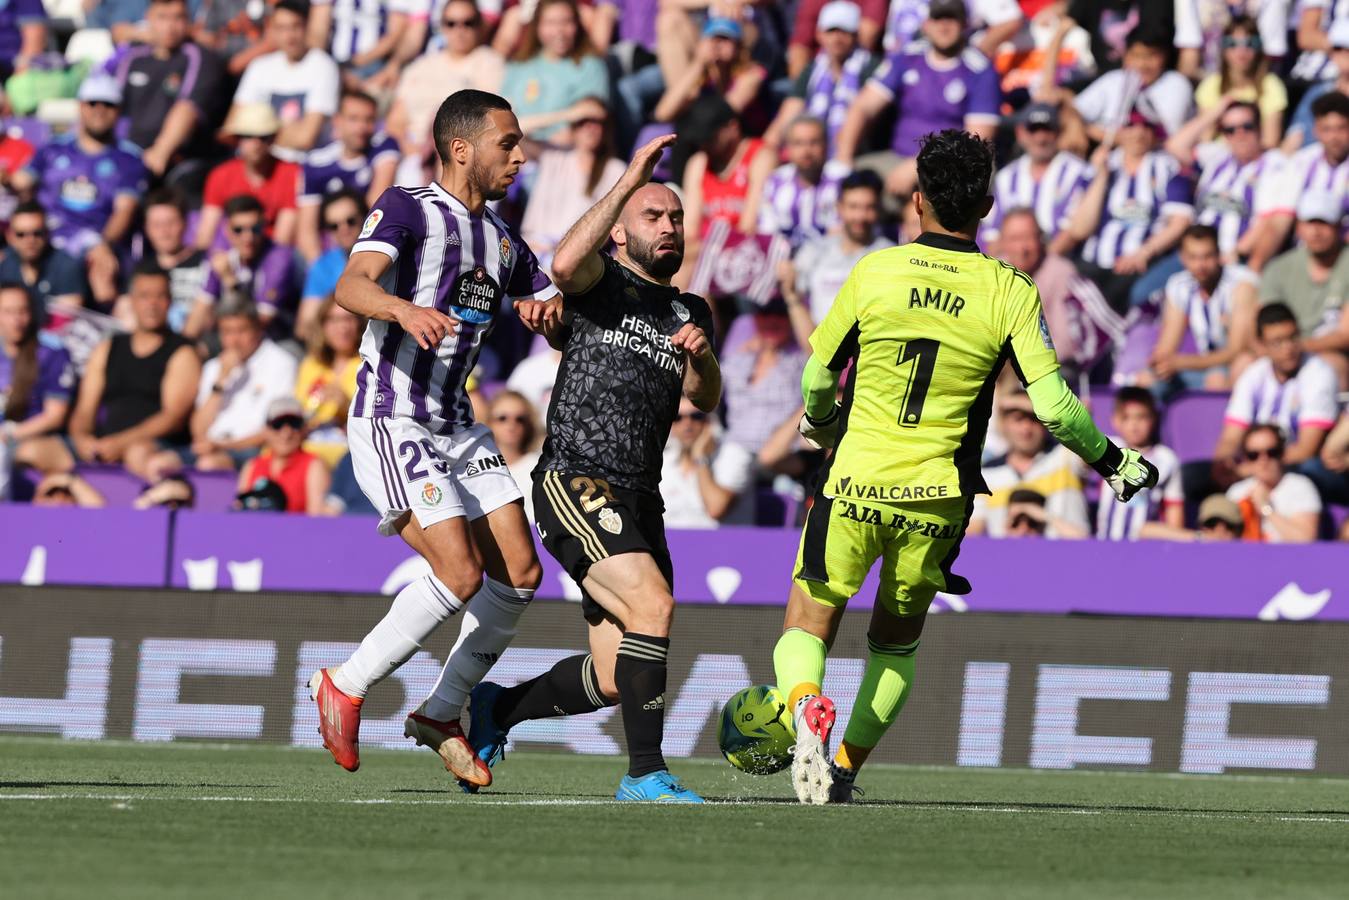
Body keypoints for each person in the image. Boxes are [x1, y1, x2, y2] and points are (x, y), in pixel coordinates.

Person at [773, 130, 1156, 804]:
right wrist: (1113, 461)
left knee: (807, 622)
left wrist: (824, 424)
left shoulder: (874, 271)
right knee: (893, 646)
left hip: (853, 482)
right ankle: (843, 770)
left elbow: (816, 378)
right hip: (937, 501)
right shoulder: (1007, 289)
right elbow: (1057, 410)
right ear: (983, 208)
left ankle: (804, 701)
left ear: (915, 199)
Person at [307, 90, 557, 789]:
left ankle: (441, 712)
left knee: (521, 573)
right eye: (506, 143)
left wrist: (547, 314)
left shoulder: (503, 240)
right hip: (392, 415)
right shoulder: (408, 206)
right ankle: (345, 685)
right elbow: (352, 285)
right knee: (459, 572)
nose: (518, 155)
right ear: (460, 148)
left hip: (456, 422)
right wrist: (400, 308)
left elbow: (547, 304)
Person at [459, 132, 718, 804]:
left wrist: (702, 357)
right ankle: (645, 774)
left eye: (675, 218)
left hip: (640, 496)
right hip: (577, 479)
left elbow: (704, 398)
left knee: (611, 677)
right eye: (652, 216)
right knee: (653, 607)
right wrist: (631, 176)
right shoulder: (603, 286)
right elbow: (565, 260)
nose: (668, 227)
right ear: (622, 231)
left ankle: (499, 709)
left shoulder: (691, 311)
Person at [833, 0, 1000, 198]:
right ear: (926, 24)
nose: (944, 26)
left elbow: (976, 141)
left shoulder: (979, 70)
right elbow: (862, 107)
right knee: (854, 184)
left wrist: (919, 164)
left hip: (951, 165)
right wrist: (843, 160)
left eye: (951, 19)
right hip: (896, 159)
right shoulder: (907, 56)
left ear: (965, 25)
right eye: (938, 18)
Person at [12, 74, 147, 294]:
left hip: (93, 242)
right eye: (92, 102)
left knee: (103, 275)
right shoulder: (52, 149)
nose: (99, 110)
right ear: (81, 106)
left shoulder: (129, 159)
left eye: (108, 104)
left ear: (119, 110)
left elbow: (124, 212)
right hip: (45, 237)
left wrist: (103, 244)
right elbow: (20, 182)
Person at [67, 266, 201, 479]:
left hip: (155, 444)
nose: (152, 304)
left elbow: (172, 418)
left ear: (170, 301)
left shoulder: (182, 352)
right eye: (145, 296)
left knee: (137, 454)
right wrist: (81, 437)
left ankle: (148, 508)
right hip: (104, 443)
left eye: (160, 296)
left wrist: (121, 443)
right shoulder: (108, 348)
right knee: (35, 451)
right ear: (131, 301)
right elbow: (84, 408)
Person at [1063, 108, 1193, 312]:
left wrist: (1144, 253)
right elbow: (1079, 230)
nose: (1139, 133)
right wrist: (1101, 178)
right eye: (1131, 125)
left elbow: (1180, 223)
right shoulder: (1100, 166)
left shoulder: (1168, 168)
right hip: (1093, 262)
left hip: (1141, 264)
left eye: (1146, 126)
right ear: (1118, 131)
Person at [151, 295, 298, 473]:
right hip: (210, 448)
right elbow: (198, 430)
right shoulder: (214, 367)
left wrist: (224, 446)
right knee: (158, 464)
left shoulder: (281, 363)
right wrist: (221, 380)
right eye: (227, 332)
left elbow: (276, 430)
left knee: (209, 465)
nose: (234, 340)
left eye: (241, 330)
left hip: (252, 451)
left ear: (258, 329)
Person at [1209, 304, 1341, 487]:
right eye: (1278, 342)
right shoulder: (1254, 374)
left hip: (1299, 467)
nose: (1288, 348)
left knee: (1308, 468)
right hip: (1257, 462)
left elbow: (1306, 449)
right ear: (1261, 345)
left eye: (1293, 338)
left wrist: (1253, 468)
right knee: (1197, 475)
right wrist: (1224, 462)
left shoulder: (1319, 373)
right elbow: (1231, 437)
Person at [995, 208, 1121, 385]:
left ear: (1041, 239)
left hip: (1048, 371)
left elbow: (1067, 345)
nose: (1022, 248)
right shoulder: (993, 273)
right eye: (1014, 239)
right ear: (1002, 243)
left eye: (1028, 238)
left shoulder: (1062, 273)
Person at [386, 0, 505, 182]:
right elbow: (395, 122)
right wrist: (413, 149)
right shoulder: (420, 67)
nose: (460, 30)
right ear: (442, 27)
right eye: (451, 23)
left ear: (480, 25)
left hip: (466, 154)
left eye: (468, 22)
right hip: (417, 153)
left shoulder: (491, 64)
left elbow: (491, 119)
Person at [115, 0, 228, 181]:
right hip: (130, 153)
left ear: (189, 21)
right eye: (162, 17)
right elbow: (114, 106)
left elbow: (188, 108)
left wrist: (160, 151)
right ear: (148, 19)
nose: (170, 26)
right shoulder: (133, 57)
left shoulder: (200, 57)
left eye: (178, 18)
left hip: (177, 159)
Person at [780, 170, 893, 348]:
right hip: (814, 352)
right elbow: (795, 298)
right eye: (853, 207)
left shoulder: (889, 256)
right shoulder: (814, 251)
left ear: (879, 208)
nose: (860, 216)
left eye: (869, 207)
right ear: (839, 207)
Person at [1145, 224, 1258, 392]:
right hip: (1202, 365)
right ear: (1182, 258)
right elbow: (1167, 345)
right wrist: (1159, 362)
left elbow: (1236, 350)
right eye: (1193, 257)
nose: (1201, 265)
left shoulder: (1242, 284)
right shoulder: (1179, 285)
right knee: (1146, 380)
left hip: (1231, 366)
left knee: (1217, 379)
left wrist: (1180, 362)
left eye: (1207, 256)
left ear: (1219, 254)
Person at [1164, 99, 1280, 262]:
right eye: (1230, 129)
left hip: (1234, 257)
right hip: (1194, 254)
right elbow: (1175, 145)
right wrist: (1218, 109)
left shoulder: (1276, 165)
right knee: (1144, 287)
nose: (1240, 135)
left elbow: (1268, 222)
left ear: (1259, 128)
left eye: (1247, 127)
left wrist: (1236, 254)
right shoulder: (1217, 156)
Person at [1247, 91, 1349, 271]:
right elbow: (1280, 221)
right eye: (1327, 129)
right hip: (1302, 257)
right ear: (1316, 130)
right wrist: (1255, 268)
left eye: (1341, 128)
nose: (1334, 137)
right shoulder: (1300, 163)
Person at [519, 96, 626, 268]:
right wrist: (566, 115)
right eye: (583, 121)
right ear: (573, 125)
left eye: (598, 122)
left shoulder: (615, 170)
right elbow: (517, 130)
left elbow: (610, 223)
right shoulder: (554, 156)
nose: (591, 128)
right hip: (532, 250)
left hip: (575, 261)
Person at [970, 388, 1090, 539]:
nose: (1026, 428)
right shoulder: (986, 474)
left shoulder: (1065, 455)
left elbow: (1083, 430)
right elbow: (972, 533)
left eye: (1034, 419)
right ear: (1003, 424)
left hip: (1072, 556)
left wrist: (1030, 404)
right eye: (1018, 419)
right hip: (1007, 559)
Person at [229, 0, 341, 161]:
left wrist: (256, 133)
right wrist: (286, 131)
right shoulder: (259, 67)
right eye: (281, 28)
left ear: (307, 26)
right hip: (262, 163)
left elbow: (305, 138)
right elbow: (234, 124)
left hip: (305, 165)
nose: (289, 36)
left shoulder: (323, 66)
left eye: (295, 27)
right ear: (271, 31)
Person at [296, 91, 399, 263]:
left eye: (368, 120)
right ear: (337, 121)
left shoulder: (383, 145)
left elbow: (377, 203)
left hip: (371, 244)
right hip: (330, 250)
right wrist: (324, 271)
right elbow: (307, 231)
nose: (361, 127)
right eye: (354, 119)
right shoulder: (316, 163)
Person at [770, 1, 879, 156]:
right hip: (812, 154)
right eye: (831, 31)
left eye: (844, 32)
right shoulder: (813, 69)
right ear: (819, 34)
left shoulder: (871, 67)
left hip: (857, 154)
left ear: (855, 35)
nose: (837, 38)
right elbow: (788, 113)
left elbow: (866, 119)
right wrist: (770, 146)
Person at [185, 195, 300, 340]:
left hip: (275, 339)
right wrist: (182, 348)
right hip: (233, 336)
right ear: (227, 229)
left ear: (264, 225)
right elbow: (200, 310)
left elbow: (259, 324)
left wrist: (230, 281)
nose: (248, 237)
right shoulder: (220, 255)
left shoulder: (278, 258)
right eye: (239, 230)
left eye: (255, 229)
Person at [982, 102, 1088, 255]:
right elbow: (993, 236)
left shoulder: (1078, 173)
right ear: (1020, 133)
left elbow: (1072, 232)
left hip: (1058, 262)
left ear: (1059, 132)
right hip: (1012, 265)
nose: (1040, 138)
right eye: (1033, 129)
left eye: (1047, 130)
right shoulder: (1006, 177)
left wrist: (1037, 267)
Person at [1257, 194, 1349, 366]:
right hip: (1284, 352)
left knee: (1333, 364)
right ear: (1298, 227)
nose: (1316, 232)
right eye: (1309, 223)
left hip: (1329, 354)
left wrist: (1294, 348)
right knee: (1244, 364)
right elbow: (1265, 324)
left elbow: (1345, 335)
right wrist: (1285, 351)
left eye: (1324, 223)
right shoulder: (1278, 268)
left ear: (1339, 227)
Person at [501, 0, 609, 143]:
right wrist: (568, 115)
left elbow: (591, 111)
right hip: (521, 148)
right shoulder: (520, 66)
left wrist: (525, 125)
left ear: (577, 25)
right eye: (550, 23)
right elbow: (503, 117)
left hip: (566, 155)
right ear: (537, 26)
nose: (559, 30)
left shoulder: (590, 65)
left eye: (566, 22)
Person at [196, 105, 301, 250]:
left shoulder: (292, 173)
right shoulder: (220, 175)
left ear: (273, 139)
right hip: (231, 253)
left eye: (263, 137)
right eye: (248, 136)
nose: (256, 144)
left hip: (273, 258)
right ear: (237, 139)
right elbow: (205, 235)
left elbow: (282, 242)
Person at [0, 282, 74, 479]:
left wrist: (9, 434)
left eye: (22, 311)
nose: (17, 320)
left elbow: (54, 416)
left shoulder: (52, 354)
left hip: (35, 441)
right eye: (7, 312)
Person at [1071, 26, 1194, 142]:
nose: (1143, 64)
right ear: (1126, 56)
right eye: (1137, 56)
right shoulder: (1114, 79)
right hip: (1110, 155)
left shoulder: (1176, 83)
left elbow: (1166, 135)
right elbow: (1074, 113)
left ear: (1164, 56)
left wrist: (1121, 139)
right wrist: (1108, 137)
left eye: (1151, 56)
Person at [1093, 387, 1183, 540]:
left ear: (1153, 419)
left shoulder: (1167, 459)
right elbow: (1077, 460)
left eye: (1141, 417)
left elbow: (1174, 511)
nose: (1134, 425)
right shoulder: (1107, 447)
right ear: (1114, 420)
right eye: (1126, 418)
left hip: (1144, 548)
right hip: (1105, 544)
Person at [653, 16, 768, 133]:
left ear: (738, 47)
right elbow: (663, 113)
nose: (717, 44)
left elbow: (724, 112)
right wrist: (699, 64)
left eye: (725, 38)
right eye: (713, 38)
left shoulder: (751, 75)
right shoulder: (703, 82)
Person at [1192, 16, 1286, 149]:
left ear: (1259, 48)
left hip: (1256, 158)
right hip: (1219, 156)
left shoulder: (1271, 85)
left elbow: (1270, 142)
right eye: (1232, 44)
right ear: (1223, 49)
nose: (1241, 51)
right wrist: (1218, 111)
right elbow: (1205, 139)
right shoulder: (1211, 85)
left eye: (1250, 44)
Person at [661, 396, 754, 528]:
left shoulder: (735, 456)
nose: (687, 425)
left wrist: (700, 457)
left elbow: (715, 509)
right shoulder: (663, 462)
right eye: (678, 418)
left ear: (711, 421)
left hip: (723, 547)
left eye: (696, 416)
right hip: (670, 546)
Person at [756, 116, 847, 250]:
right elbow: (766, 233)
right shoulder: (775, 181)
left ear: (827, 145)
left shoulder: (842, 180)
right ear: (787, 148)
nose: (806, 151)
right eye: (798, 143)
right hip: (785, 264)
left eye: (814, 142)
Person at [296, 296, 363, 468]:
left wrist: (346, 405)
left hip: (347, 450)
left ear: (359, 323)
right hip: (307, 443)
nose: (343, 327)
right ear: (322, 326)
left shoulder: (367, 364)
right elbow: (298, 409)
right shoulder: (312, 364)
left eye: (349, 319)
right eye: (334, 320)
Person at [1227, 424, 1321, 543]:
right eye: (1253, 455)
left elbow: (1306, 541)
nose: (1263, 460)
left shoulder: (1300, 486)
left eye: (1272, 452)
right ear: (1245, 459)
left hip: (1290, 560)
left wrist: (1265, 508)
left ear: (1282, 453)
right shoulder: (1237, 491)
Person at [237, 396, 330, 515]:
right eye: (278, 425)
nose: (286, 433)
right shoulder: (252, 466)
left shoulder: (314, 466)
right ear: (266, 430)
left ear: (304, 429)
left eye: (294, 424)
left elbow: (317, 521)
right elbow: (240, 514)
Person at [298, 189, 368, 338]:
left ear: (366, 219)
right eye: (334, 226)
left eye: (350, 221)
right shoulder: (323, 266)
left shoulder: (388, 257)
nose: (344, 230)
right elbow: (304, 326)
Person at [137, 190, 209, 333]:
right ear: (146, 228)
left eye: (171, 223)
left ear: (185, 223)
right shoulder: (141, 271)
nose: (164, 232)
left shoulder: (207, 263)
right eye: (156, 225)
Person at [0, 203, 83, 316]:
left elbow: (64, 320)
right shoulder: (3, 262)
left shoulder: (67, 266)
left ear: (48, 233)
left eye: (37, 233)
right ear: (10, 237)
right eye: (21, 234)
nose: (30, 240)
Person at [485, 389, 542, 520]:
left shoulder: (538, 467)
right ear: (489, 422)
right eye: (502, 418)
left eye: (520, 419)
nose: (511, 425)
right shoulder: (474, 468)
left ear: (529, 425)